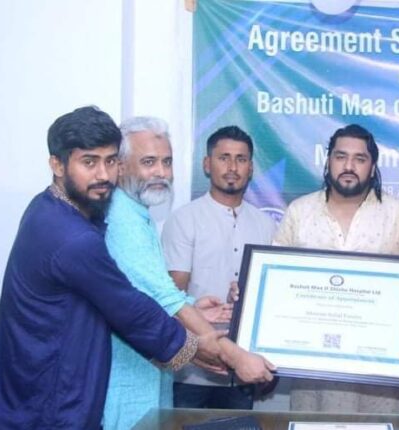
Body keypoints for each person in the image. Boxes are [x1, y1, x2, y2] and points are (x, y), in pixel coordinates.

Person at [0, 106, 225, 429]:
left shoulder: (49, 206)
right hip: (48, 399)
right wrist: (201, 348)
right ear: (57, 165)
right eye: (89, 162)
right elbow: (129, 308)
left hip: (38, 385)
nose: (103, 175)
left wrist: (191, 313)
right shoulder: (72, 237)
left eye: (111, 161)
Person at [100, 118, 275, 429]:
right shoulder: (123, 220)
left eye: (167, 162)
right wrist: (232, 354)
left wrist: (195, 306)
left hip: (152, 370)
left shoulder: (138, 214)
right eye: (149, 162)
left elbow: (153, 292)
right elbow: (164, 296)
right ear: (120, 166)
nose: (161, 172)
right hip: (130, 378)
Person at [274, 123, 399, 414]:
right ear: (328, 161)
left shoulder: (398, 214)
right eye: (341, 156)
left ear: (372, 167)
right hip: (313, 371)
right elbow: (274, 280)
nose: (349, 166)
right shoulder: (299, 212)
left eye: (359, 159)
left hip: (378, 372)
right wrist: (249, 293)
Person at [162, 125, 276, 409]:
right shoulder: (184, 219)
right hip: (192, 367)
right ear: (206, 164)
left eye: (241, 159)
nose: (232, 167)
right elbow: (173, 296)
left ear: (251, 168)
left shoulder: (266, 225)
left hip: (241, 367)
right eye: (224, 158)